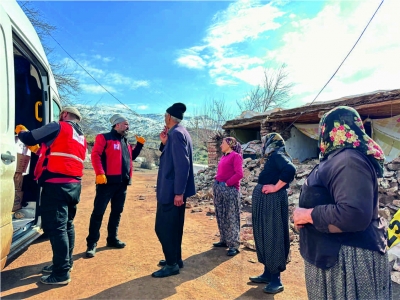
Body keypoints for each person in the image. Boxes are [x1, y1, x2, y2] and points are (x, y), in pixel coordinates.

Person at [293, 106, 392, 300]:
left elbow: (354, 214)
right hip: (333, 259)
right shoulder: (336, 158)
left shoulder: (348, 160)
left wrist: (308, 215)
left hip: (347, 263)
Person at [16, 107, 87, 285]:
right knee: (67, 225)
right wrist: (38, 150)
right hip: (73, 185)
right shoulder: (80, 136)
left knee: (57, 229)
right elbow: (58, 154)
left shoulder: (59, 126)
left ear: (63, 115)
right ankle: (65, 263)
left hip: (56, 185)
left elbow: (30, 137)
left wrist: (22, 132)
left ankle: (61, 273)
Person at [86, 114, 145, 257]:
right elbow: (95, 155)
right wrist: (100, 173)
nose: (128, 127)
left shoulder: (125, 141)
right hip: (106, 183)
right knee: (98, 212)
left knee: (116, 212)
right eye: (125, 124)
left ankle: (112, 239)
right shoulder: (104, 137)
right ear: (117, 125)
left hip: (122, 183)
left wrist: (139, 145)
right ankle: (92, 243)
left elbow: (131, 158)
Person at [152, 103, 196, 278]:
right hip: (174, 190)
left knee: (163, 228)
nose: (164, 118)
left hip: (171, 192)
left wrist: (178, 192)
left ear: (169, 117)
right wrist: (164, 143)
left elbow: (182, 165)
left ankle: (171, 265)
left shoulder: (176, 134)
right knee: (175, 227)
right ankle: (175, 258)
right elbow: (172, 156)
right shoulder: (179, 133)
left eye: (165, 115)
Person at [249, 133, 296, 294]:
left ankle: (276, 279)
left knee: (273, 235)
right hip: (266, 202)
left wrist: (275, 187)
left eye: (264, 142)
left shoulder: (278, 154)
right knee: (263, 235)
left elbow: (290, 169)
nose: (263, 145)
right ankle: (267, 273)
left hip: (272, 202)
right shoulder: (273, 156)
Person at [212, 137, 244, 256]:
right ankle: (224, 240)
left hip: (230, 189)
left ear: (230, 144)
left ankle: (234, 245)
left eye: (223, 143)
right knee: (221, 214)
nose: (221, 145)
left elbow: (240, 174)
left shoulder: (236, 156)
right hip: (219, 188)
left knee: (231, 216)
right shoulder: (224, 156)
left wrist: (227, 183)